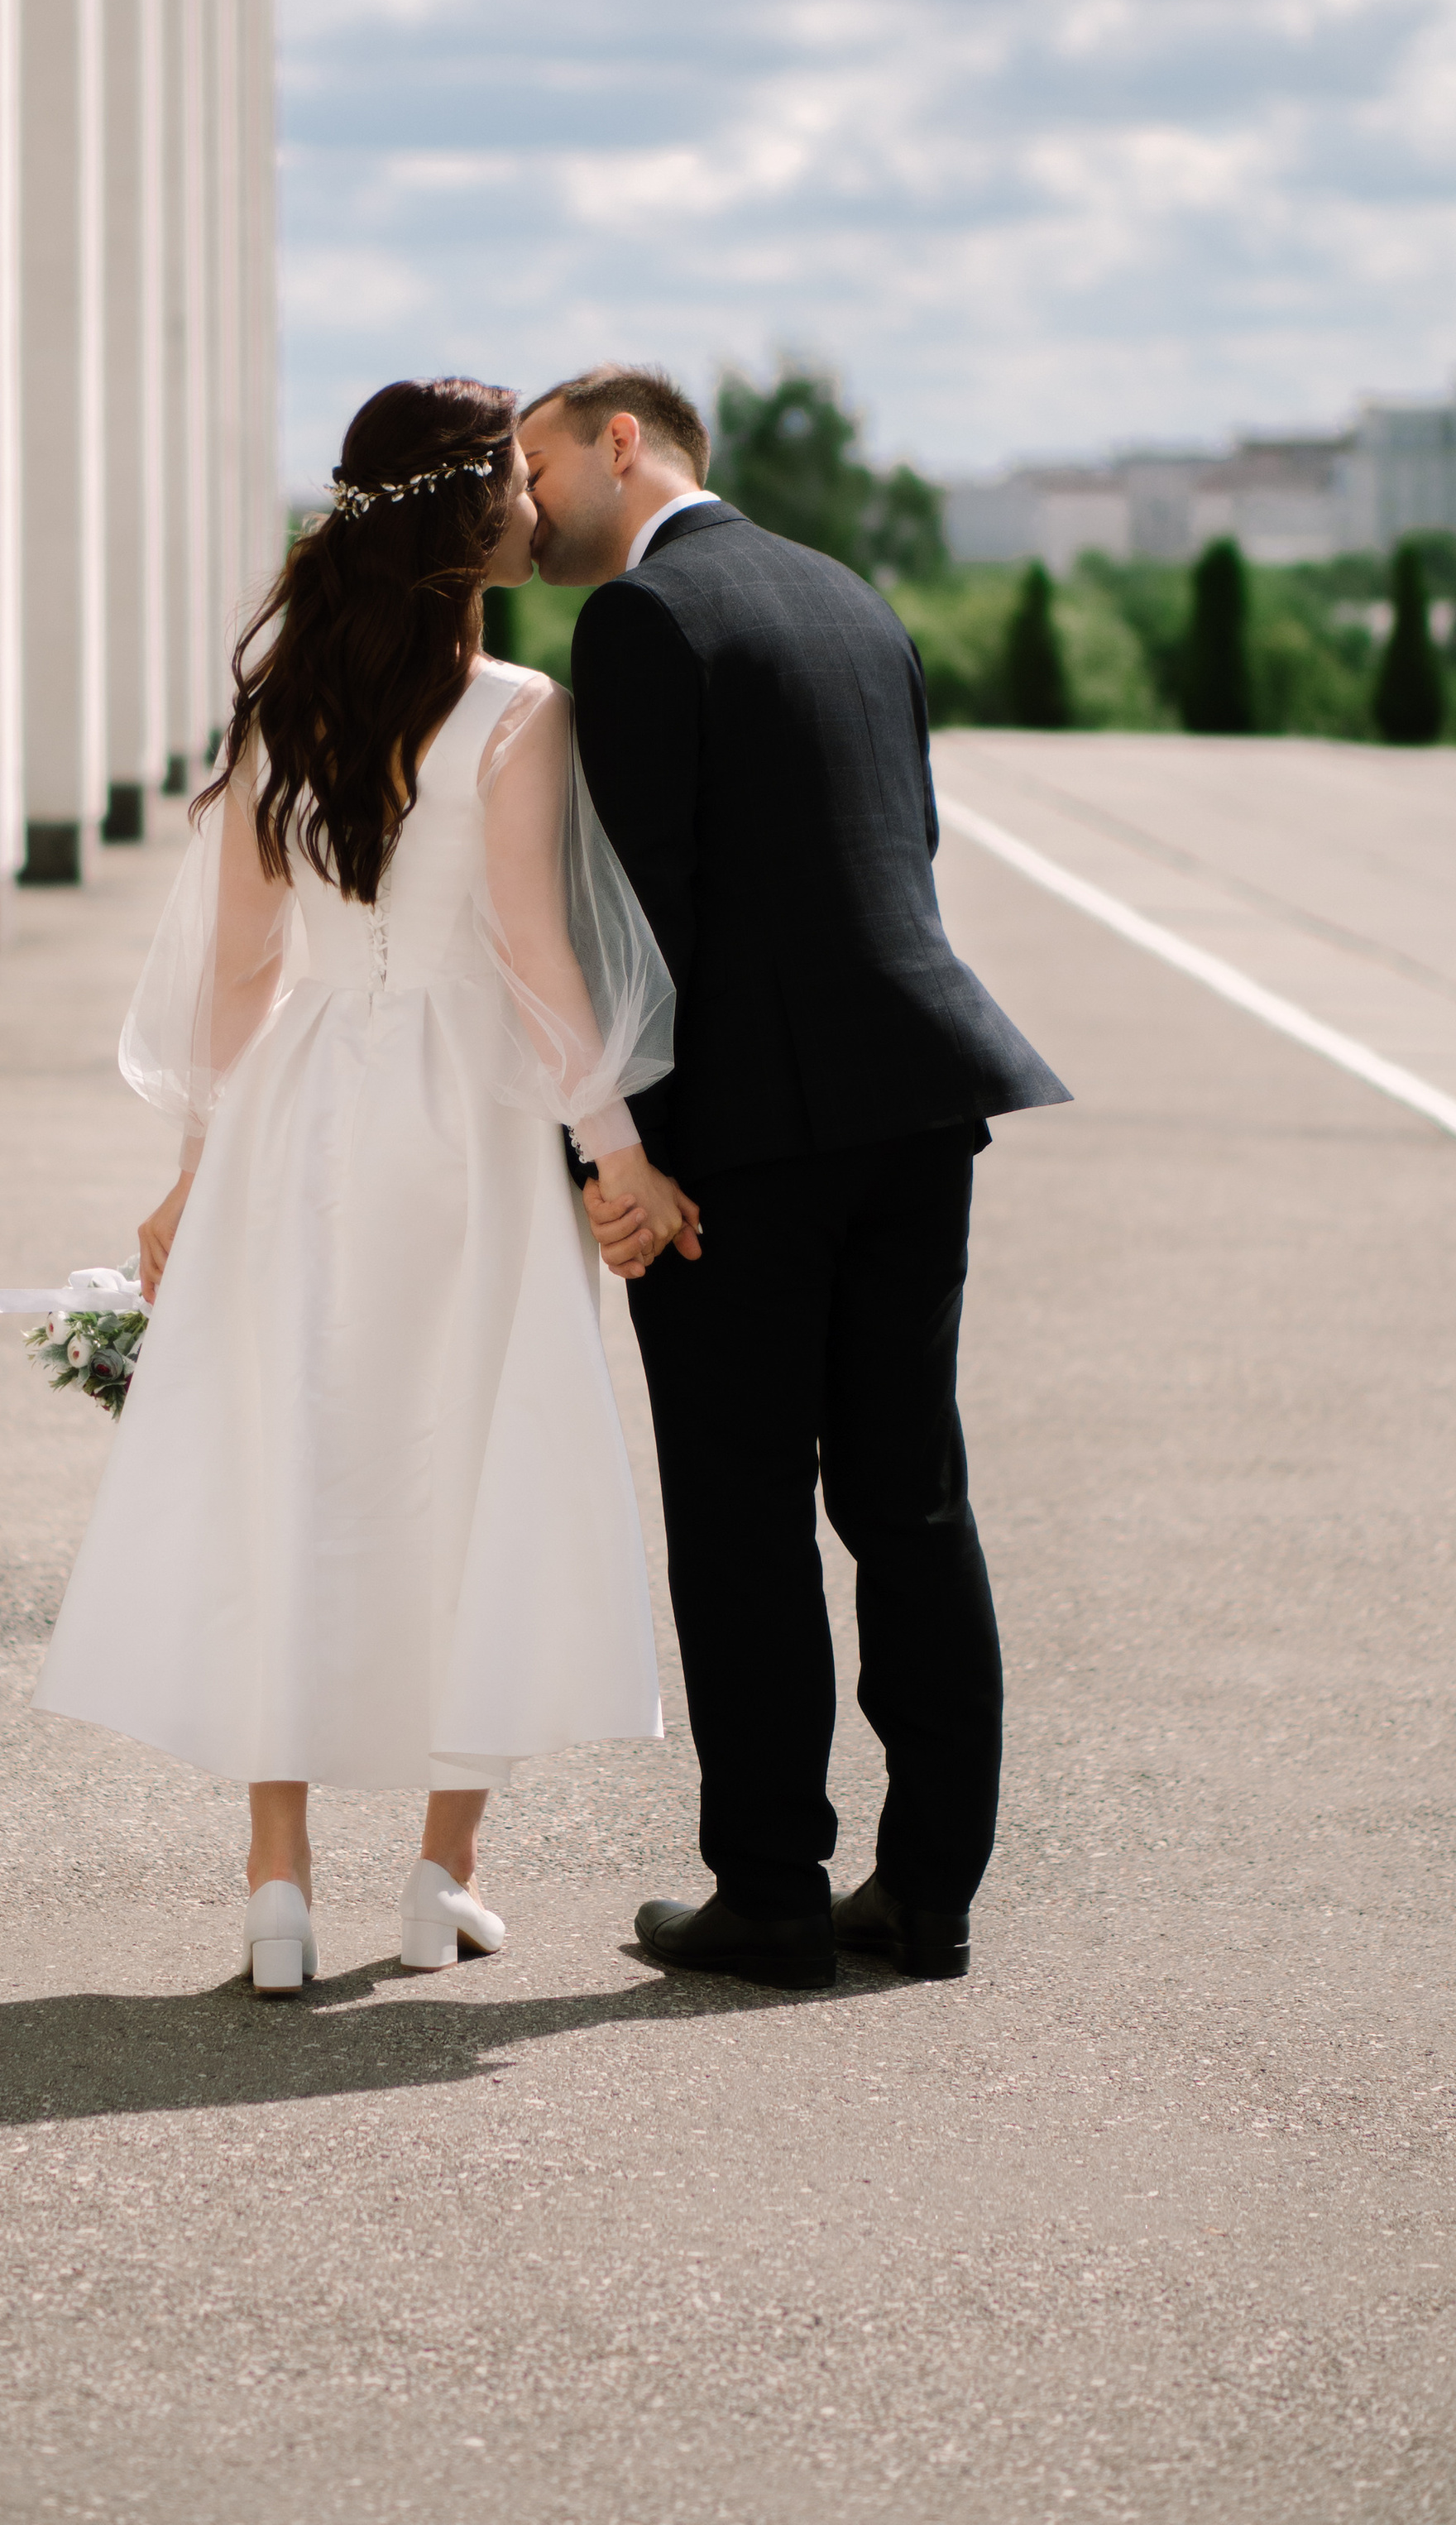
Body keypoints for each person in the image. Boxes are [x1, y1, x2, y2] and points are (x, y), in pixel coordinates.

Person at [34, 379, 677, 1992]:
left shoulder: (283, 713)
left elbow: (237, 974)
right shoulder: (515, 713)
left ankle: (277, 1889)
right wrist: (617, 1152)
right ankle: (442, 1879)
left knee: (293, 1465)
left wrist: (197, 1170)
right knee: (479, 1463)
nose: (533, 503)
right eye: (511, 483)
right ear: (468, 518)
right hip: (468, 1123)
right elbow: (535, 960)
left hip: (299, 1116)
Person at [518, 363, 1070, 1993]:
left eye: (537, 467)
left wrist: (616, 1159)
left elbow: (636, 914)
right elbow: (903, 852)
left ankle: (769, 1891)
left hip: (741, 1144)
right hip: (917, 1103)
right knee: (911, 1500)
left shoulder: (638, 619)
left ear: (621, 442)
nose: (524, 506)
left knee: (741, 1513)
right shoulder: (849, 596)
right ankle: (929, 1893)